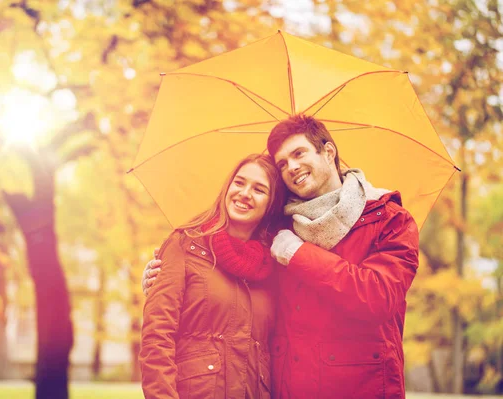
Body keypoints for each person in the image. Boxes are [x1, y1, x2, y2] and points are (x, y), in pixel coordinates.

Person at [143, 114, 420, 399]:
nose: (292, 167)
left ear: (328, 152)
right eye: (283, 163)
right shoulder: (279, 229)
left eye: (299, 153)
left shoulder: (389, 220)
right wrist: (166, 276)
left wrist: (298, 253)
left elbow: (378, 297)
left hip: (361, 388)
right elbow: (231, 272)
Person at [139, 154, 286, 399]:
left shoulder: (274, 264)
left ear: (271, 203)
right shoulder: (185, 245)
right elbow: (157, 337)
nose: (245, 193)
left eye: (259, 189)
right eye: (239, 183)